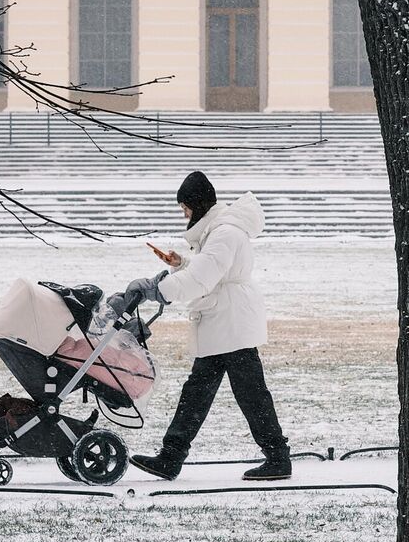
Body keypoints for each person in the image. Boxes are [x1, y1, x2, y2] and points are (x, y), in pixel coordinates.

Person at [124, 171, 292, 482]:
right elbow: (209, 271)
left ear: (198, 204)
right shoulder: (218, 230)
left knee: (248, 394)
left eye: (184, 207)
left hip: (231, 323)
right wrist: (181, 265)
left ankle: (277, 458)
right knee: (200, 392)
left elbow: (204, 276)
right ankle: (172, 456)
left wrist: (159, 290)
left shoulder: (224, 232)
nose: (183, 213)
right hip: (224, 321)